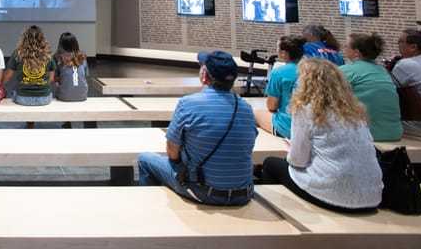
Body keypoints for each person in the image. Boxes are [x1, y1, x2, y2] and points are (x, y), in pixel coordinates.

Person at [260, 58, 383, 212]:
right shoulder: (355, 111)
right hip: (372, 196)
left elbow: (297, 161)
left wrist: (293, 149)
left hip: (333, 196)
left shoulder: (305, 109)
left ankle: (282, 215)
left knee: (271, 164)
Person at [137, 51, 257, 205]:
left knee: (145, 160)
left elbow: (172, 153)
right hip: (243, 194)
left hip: (203, 191)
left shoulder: (187, 104)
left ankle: (150, 213)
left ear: (204, 76)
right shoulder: (246, 108)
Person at [341, 32, 402, 141]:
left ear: (356, 52)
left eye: (346, 46)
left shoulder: (346, 70)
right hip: (395, 132)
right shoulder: (383, 71)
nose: (344, 49)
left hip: (368, 133)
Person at [254, 35, 304, 137]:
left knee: (255, 113)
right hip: (310, 124)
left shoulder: (278, 73)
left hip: (289, 125)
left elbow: (272, 106)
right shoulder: (313, 70)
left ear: (283, 53)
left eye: (277, 47)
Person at [2, 25, 56, 106]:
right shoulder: (47, 54)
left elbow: (8, 76)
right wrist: (39, 84)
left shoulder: (17, 53)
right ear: (42, 38)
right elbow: (51, 78)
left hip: (22, 98)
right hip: (44, 99)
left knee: (12, 92)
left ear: (24, 38)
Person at [388, 28, 421, 137]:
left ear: (413, 47)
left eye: (400, 41)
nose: (398, 44)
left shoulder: (406, 64)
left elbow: (387, 90)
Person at [54, 31, 88, 102]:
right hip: (82, 96)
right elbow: (85, 75)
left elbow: (56, 80)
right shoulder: (82, 57)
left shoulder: (57, 58)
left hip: (64, 97)